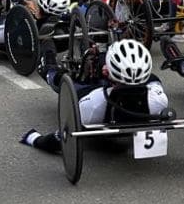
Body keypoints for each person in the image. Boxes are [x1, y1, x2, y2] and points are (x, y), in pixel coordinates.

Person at [21, 39, 171, 155]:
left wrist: (34, 139)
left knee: (63, 80)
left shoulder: (92, 104)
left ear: (107, 72)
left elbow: (60, 138)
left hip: (99, 96)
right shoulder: (159, 99)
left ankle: (48, 66)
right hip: (132, 95)